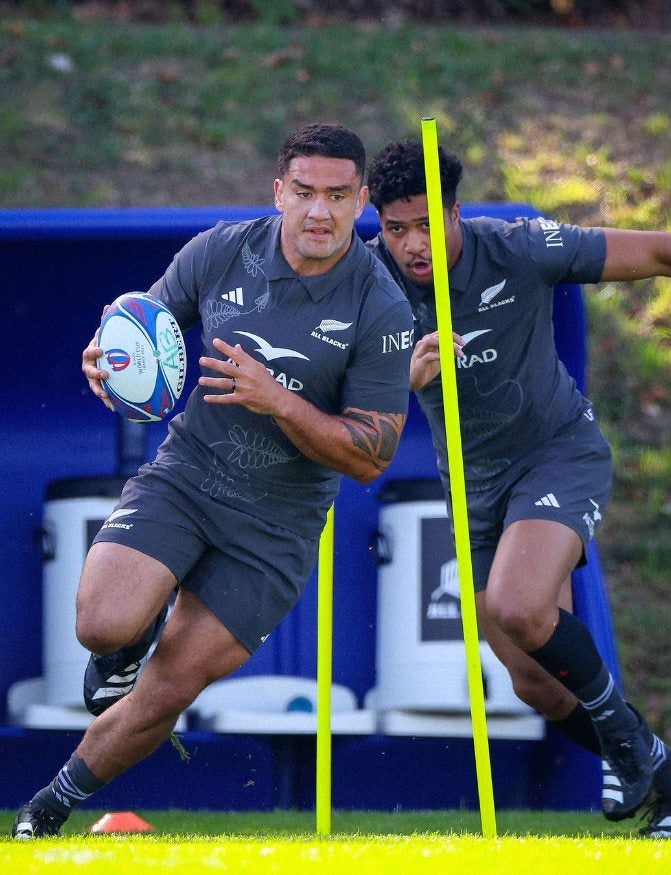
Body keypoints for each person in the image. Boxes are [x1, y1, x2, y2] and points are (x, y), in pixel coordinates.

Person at [12, 123, 413, 839]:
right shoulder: (223, 250)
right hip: (188, 476)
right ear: (278, 191)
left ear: (361, 204)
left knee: (170, 687)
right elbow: (143, 327)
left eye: (339, 195)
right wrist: (108, 359)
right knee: (100, 623)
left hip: (278, 526)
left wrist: (279, 399)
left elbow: (372, 454)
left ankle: (48, 807)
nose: (319, 210)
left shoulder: (380, 307)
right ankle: (127, 642)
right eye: (305, 192)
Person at [365, 139, 671, 839]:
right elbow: (339, 396)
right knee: (535, 681)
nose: (413, 245)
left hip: (557, 454)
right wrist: (404, 376)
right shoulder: (369, 286)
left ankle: (628, 747)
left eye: (427, 224)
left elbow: (667, 252)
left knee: (517, 605)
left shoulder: (521, 248)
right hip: (476, 487)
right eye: (396, 229)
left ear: (456, 213)